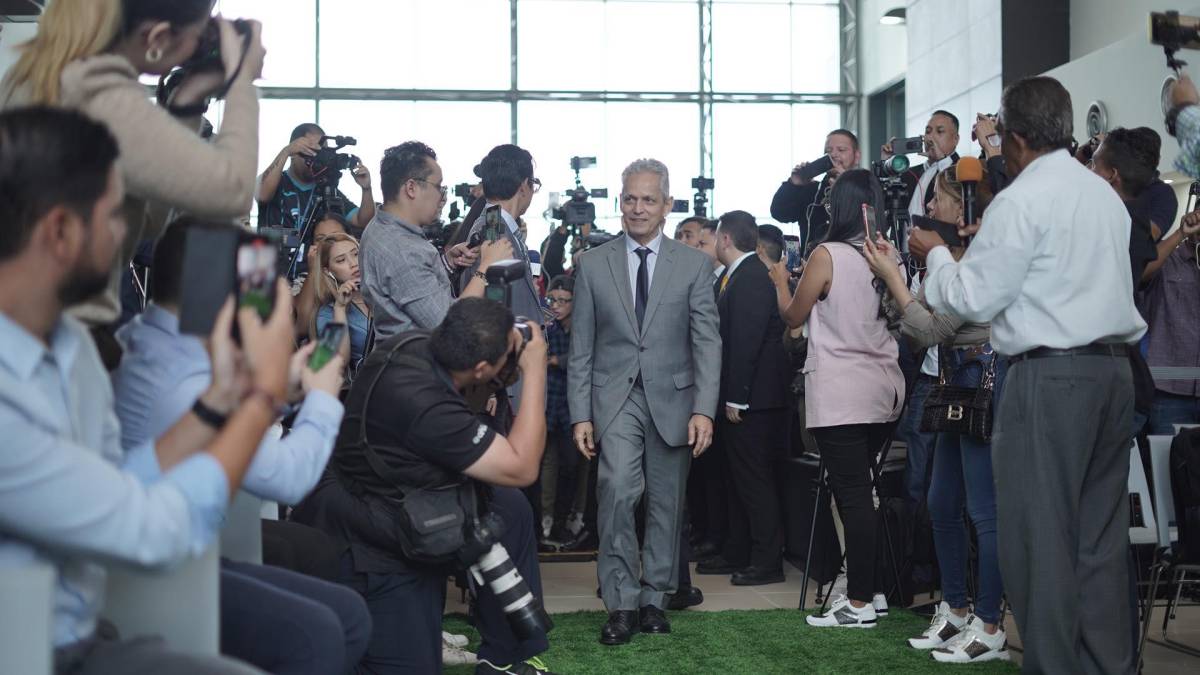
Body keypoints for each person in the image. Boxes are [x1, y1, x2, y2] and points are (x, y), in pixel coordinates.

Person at [0, 106, 290, 675]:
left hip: (83, 625)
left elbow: (117, 484)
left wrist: (221, 402)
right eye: (116, 217)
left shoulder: (73, 349)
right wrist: (262, 400)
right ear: (59, 231)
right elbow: (150, 533)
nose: (130, 238)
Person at [915, 75, 1147, 674]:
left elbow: (970, 298)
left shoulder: (1021, 199)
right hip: (1113, 373)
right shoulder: (1103, 195)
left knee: (1039, 545)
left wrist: (936, 255)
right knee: (1099, 545)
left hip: (1051, 377)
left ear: (1015, 138)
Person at [112, 217, 372, 674]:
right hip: (162, 568)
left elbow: (223, 423)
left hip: (188, 541)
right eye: (252, 288)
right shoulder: (186, 377)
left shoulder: (149, 340)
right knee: (325, 630)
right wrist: (323, 396)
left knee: (336, 599)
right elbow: (288, 479)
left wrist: (279, 392)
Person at [292, 298, 553, 674]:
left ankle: (502, 656)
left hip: (392, 500)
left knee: (510, 510)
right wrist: (535, 369)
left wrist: (504, 367)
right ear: (480, 367)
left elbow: (470, 394)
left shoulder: (413, 343)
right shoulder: (426, 407)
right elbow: (523, 467)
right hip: (369, 540)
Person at [0, 0, 265, 333]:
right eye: (198, 35)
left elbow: (146, 224)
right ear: (157, 38)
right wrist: (242, 81)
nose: (197, 49)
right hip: (58, 336)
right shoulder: (98, 93)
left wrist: (187, 104)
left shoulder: (45, 72)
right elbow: (235, 191)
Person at [568, 158, 721, 646]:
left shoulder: (694, 264)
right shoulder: (592, 265)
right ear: (620, 202)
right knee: (615, 489)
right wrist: (580, 415)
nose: (637, 208)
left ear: (667, 206)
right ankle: (620, 601)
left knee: (666, 501)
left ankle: (655, 597)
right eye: (630, 198)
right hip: (614, 398)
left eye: (648, 199)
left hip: (675, 399)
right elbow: (582, 348)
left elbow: (707, 342)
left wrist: (704, 409)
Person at [863, 170, 1012, 663]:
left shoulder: (981, 262)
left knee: (983, 513)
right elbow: (908, 318)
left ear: (967, 208)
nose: (933, 207)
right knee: (942, 504)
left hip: (983, 388)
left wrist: (895, 282)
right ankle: (954, 609)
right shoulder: (950, 263)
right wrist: (894, 275)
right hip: (951, 388)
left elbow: (930, 327)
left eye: (942, 198)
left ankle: (989, 623)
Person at [767, 168, 905, 629]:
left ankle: (860, 603)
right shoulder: (889, 253)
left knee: (853, 498)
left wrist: (780, 280)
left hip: (843, 390)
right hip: (885, 388)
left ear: (836, 206)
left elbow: (793, 315)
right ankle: (876, 591)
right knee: (865, 492)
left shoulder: (828, 255)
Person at [360, 141, 510, 343]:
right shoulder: (403, 248)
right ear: (411, 188)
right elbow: (451, 326)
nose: (442, 196)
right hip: (416, 368)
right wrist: (486, 267)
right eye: (438, 186)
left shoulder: (380, 226)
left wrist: (445, 263)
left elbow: (411, 284)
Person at [710, 211, 790, 586]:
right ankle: (737, 550)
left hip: (755, 399)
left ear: (725, 239)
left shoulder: (752, 277)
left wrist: (737, 398)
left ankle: (767, 560)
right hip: (744, 396)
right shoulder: (733, 276)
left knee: (755, 481)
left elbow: (746, 341)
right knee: (735, 479)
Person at [460, 144, 545, 325]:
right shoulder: (493, 229)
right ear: (523, 186)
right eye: (534, 184)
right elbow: (493, 302)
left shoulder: (496, 221)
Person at [256, 123, 376, 238]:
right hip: (272, 257)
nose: (317, 157)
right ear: (294, 152)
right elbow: (261, 195)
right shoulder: (276, 181)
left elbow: (362, 221)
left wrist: (366, 189)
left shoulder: (326, 189)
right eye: (311, 150)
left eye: (322, 153)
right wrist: (286, 151)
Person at [1140, 210, 1200, 434]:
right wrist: (1180, 234)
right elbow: (1141, 272)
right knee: (1165, 464)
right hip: (1168, 393)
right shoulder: (1168, 262)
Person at [770, 129, 862, 256]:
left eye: (841, 150)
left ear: (857, 157)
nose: (834, 155)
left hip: (850, 264)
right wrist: (793, 184)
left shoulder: (865, 189)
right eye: (828, 151)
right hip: (811, 266)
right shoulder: (812, 190)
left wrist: (844, 188)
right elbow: (779, 213)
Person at [539, 276, 579, 543]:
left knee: (571, 468)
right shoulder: (547, 328)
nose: (556, 305)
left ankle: (564, 523)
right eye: (552, 299)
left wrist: (556, 360)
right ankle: (542, 522)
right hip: (548, 404)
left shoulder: (581, 331)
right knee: (543, 466)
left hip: (573, 408)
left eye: (563, 300)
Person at [310, 232, 372, 375]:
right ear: (328, 271)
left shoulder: (381, 292)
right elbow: (338, 362)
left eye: (356, 254)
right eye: (341, 260)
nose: (353, 264)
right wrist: (340, 308)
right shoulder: (326, 313)